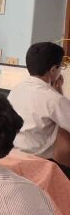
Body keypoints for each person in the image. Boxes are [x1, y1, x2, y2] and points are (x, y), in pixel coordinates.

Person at [8, 42, 70, 179]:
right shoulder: (53, 99)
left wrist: (57, 91)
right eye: (61, 66)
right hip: (37, 164)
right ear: (53, 70)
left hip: (13, 157)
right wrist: (58, 94)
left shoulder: (17, 89)